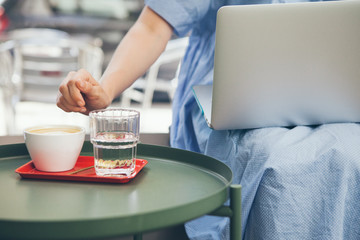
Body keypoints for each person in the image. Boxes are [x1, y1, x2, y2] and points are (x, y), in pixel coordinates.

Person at [57, 1, 360, 239]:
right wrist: (106, 90)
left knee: (350, 153)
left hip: (328, 100)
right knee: (278, 161)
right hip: (226, 99)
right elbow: (152, 27)